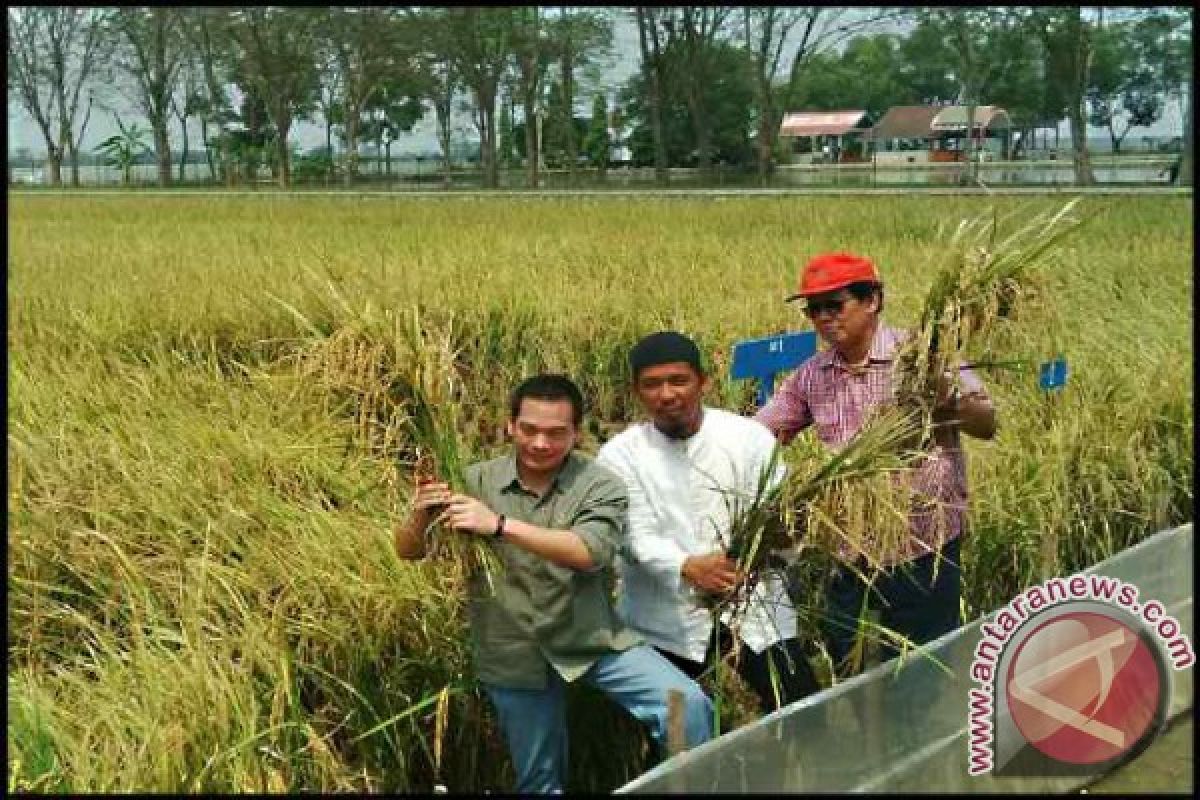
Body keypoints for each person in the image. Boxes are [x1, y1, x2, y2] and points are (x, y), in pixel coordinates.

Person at [394, 374, 713, 794]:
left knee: (683, 704)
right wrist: (421, 513)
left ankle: (685, 784)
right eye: (529, 430)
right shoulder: (474, 481)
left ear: (576, 433)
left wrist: (499, 525)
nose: (541, 443)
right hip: (513, 649)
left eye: (556, 433)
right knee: (539, 779)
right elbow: (409, 551)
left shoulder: (600, 484)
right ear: (509, 426)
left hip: (592, 639)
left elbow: (589, 553)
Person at [754, 252, 997, 679]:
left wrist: (943, 398)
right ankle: (867, 740)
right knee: (853, 666)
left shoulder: (923, 358)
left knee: (922, 670)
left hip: (924, 544)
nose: (824, 318)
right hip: (847, 550)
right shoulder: (811, 375)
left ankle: (918, 742)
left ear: (873, 301)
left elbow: (985, 423)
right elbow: (760, 435)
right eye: (815, 309)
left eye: (836, 304)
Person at [597, 332, 820, 716]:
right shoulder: (620, 455)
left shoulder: (748, 438)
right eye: (652, 385)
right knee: (678, 726)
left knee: (801, 711)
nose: (667, 394)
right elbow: (631, 534)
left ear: (703, 381)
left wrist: (776, 542)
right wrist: (686, 566)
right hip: (666, 619)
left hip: (753, 605)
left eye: (678, 381)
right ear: (636, 391)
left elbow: (778, 512)